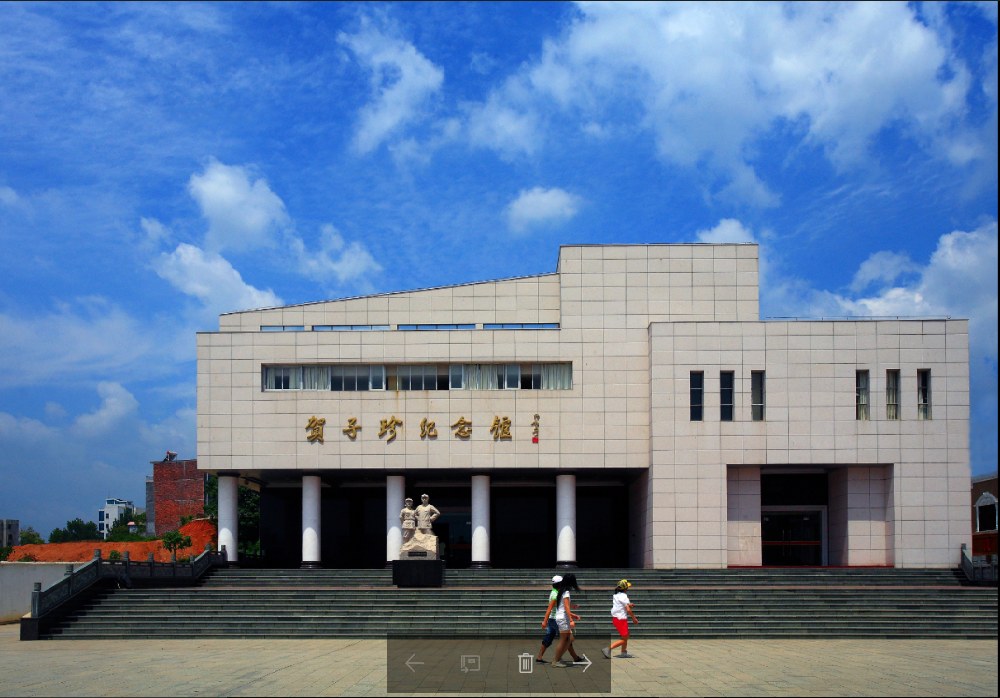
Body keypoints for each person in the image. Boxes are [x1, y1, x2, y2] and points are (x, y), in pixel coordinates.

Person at [551, 573, 587, 668]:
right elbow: (566, 607)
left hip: (562, 617)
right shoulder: (566, 592)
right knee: (564, 640)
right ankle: (556, 660)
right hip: (563, 618)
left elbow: (564, 605)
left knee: (569, 639)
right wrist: (571, 619)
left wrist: (572, 610)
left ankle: (558, 658)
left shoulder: (561, 591)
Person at [602, 579, 639, 659]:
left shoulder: (616, 595)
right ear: (626, 588)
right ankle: (608, 649)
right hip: (621, 619)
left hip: (616, 618)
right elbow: (628, 610)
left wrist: (629, 604)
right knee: (625, 638)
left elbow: (621, 605)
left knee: (626, 635)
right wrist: (634, 618)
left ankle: (623, 652)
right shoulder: (624, 597)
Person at [535, 575, 562, 664]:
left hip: (552, 618)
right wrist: (544, 621)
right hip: (555, 619)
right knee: (565, 639)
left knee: (549, 638)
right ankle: (558, 658)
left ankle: (539, 657)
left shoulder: (555, 592)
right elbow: (549, 609)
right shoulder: (555, 595)